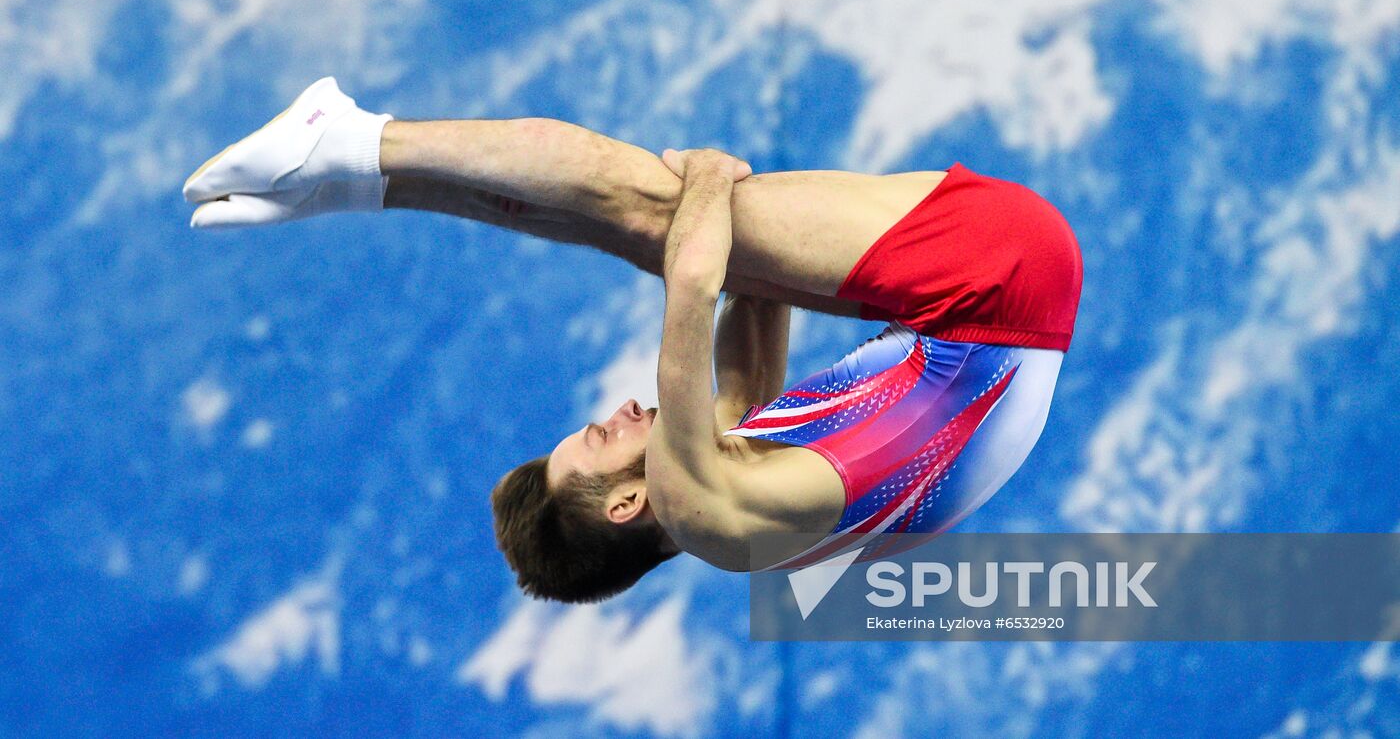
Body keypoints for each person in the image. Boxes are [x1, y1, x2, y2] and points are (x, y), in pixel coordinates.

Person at [183, 77, 1083, 603]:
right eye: (600, 439)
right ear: (626, 506)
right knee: (642, 201)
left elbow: (745, 303)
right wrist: (706, 181)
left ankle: (354, 181)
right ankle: (354, 141)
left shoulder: (727, 508)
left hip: (1001, 310)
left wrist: (721, 227)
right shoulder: (702, 507)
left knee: (637, 226)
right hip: (994, 287)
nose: (614, 415)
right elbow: (694, 278)